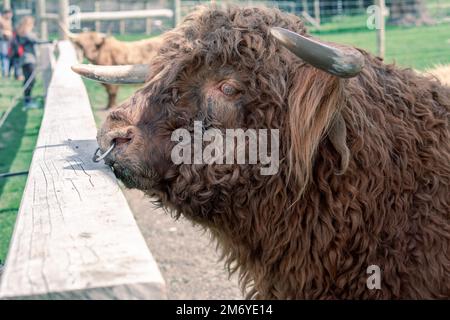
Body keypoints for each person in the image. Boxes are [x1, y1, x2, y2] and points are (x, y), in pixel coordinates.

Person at [16, 16, 52, 109]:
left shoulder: (22, 33)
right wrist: (50, 41)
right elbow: (37, 41)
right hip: (29, 60)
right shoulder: (27, 34)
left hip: (25, 60)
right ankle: (27, 102)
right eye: (32, 24)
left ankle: (27, 100)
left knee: (28, 81)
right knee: (30, 81)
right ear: (28, 24)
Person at [0, 9, 13, 78]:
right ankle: (5, 73)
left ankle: (6, 73)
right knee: (4, 57)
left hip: (8, 40)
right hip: (3, 40)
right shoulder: (2, 20)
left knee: (6, 57)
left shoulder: (8, 21)